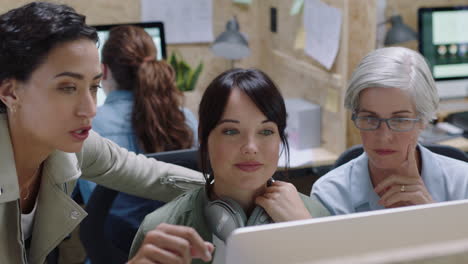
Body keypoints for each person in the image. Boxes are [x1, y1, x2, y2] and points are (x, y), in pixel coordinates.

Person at [0, 2, 212, 264]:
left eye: (94, 86)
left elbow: (153, 175)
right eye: (67, 87)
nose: (90, 109)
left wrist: (252, 189)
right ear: (10, 93)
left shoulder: (75, 146)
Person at [129, 68, 330, 263]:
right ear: (204, 137)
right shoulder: (162, 232)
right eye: (231, 131)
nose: (250, 148)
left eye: (266, 131)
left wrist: (307, 235)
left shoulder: (316, 219)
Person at [78, 25, 199, 255]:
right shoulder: (186, 120)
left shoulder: (87, 126)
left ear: (104, 71)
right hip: (180, 254)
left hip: (112, 255)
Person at [311, 47, 468, 215]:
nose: (384, 137)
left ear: (423, 120)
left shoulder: (463, 183)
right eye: (370, 118)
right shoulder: (330, 195)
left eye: (400, 120)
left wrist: (432, 216)